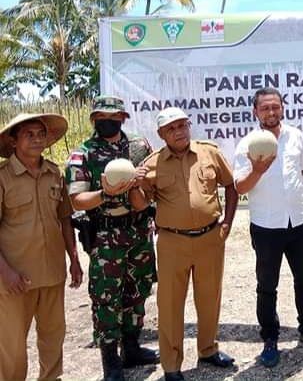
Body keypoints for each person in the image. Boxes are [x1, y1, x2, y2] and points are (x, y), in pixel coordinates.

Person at [233, 87, 303, 368]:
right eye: (265, 108)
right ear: (255, 112)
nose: (271, 112)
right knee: (267, 286)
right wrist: (258, 171)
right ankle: (270, 339)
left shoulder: (295, 136)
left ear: (282, 108)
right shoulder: (247, 145)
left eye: (275, 107)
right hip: (266, 225)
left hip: (300, 220)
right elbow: (240, 187)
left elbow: (301, 170)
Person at [137, 107, 238, 381]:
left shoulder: (210, 153)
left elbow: (231, 186)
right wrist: (135, 185)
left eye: (183, 125)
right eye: (172, 128)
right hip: (172, 242)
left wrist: (227, 222)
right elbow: (140, 204)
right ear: (161, 134)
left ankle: (208, 349)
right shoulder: (152, 164)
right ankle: (171, 365)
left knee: (209, 298)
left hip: (210, 239)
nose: (179, 131)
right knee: (170, 305)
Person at [65, 96, 159, 381]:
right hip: (106, 235)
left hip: (139, 231)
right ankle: (111, 362)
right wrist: (107, 193)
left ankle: (131, 348)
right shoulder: (83, 154)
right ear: (94, 120)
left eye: (115, 117)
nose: (109, 121)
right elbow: (77, 200)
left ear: (123, 118)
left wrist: (143, 182)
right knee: (107, 298)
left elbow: (153, 184)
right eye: (103, 117)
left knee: (138, 290)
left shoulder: (139, 146)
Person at [0, 113, 83, 381]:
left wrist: (74, 258)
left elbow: (64, 218)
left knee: (53, 337)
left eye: (41, 133)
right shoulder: (3, 178)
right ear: (13, 142)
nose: (37, 139)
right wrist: (6, 273)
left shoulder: (54, 173)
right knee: (12, 347)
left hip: (51, 273)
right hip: (14, 279)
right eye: (29, 134)